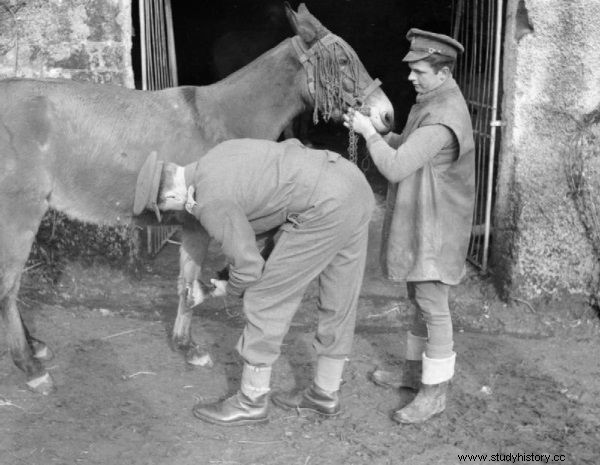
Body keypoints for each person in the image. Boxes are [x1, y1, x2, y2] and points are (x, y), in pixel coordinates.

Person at [136, 138, 374, 426]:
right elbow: (267, 224)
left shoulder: (208, 201)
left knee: (265, 298)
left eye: (173, 209)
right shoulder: (216, 157)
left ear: (172, 198)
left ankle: (251, 401)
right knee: (340, 294)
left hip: (322, 206)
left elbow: (249, 270)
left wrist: (229, 289)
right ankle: (325, 392)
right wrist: (218, 282)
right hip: (351, 183)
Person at [343, 28, 475, 424]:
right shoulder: (431, 101)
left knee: (433, 305)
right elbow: (408, 145)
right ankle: (415, 373)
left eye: (418, 70)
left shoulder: (444, 114)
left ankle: (434, 393)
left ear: (443, 71)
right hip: (426, 216)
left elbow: (396, 166)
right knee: (420, 298)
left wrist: (368, 135)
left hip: (438, 224)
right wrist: (382, 131)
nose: (410, 77)